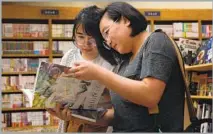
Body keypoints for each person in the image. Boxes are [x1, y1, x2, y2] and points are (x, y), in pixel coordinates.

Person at [67, 2, 185, 132]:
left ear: (125, 20)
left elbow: (149, 96)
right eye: (103, 39)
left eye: (107, 32)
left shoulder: (156, 41)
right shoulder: (124, 61)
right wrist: (78, 115)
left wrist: (98, 74)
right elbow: (121, 117)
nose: (108, 41)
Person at [46, 5, 114, 132]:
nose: (85, 43)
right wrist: (57, 109)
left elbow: (118, 109)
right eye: (80, 37)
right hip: (70, 126)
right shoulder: (70, 56)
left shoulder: (111, 61)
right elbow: (61, 95)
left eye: (92, 38)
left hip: (99, 127)